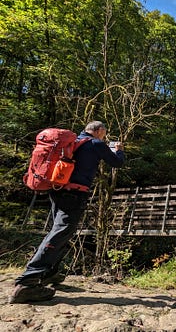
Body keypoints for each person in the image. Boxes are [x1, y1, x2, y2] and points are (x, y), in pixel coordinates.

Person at [9, 121, 125, 304]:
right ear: (99, 130)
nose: (104, 135)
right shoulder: (96, 144)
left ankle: (49, 274)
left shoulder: (72, 143)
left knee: (60, 230)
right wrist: (118, 149)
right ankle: (28, 282)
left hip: (57, 190)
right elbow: (117, 162)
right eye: (104, 132)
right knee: (61, 231)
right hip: (75, 193)